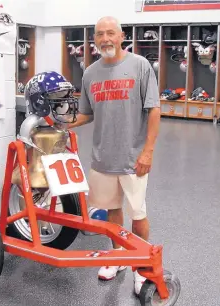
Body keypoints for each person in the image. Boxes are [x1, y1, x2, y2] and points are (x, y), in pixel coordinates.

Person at [66, 16, 161, 295]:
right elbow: (86, 114)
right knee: (112, 211)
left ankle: (141, 266)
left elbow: (153, 109)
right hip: (102, 158)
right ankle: (118, 257)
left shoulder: (140, 66)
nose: (105, 39)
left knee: (138, 213)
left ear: (121, 37)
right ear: (94, 40)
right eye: (99, 35)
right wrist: (61, 123)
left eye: (110, 33)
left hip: (133, 159)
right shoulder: (90, 73)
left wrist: (148, 152)